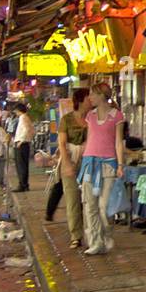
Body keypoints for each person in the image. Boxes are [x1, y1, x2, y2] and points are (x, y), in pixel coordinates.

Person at [77, 83, 125, 256]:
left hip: (108, 164)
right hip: (89, 162)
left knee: (104, 206)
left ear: (101, 95)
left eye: (92, 94)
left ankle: (106, 234)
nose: (90, 97)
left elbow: (119, 141)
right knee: (90, 205)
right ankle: (95, 242)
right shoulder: (90, 116)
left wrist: (120, 164)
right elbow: (90, 137)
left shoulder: (116, 116)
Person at [45, 88, 89, 248]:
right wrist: (67, 163)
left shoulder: (93, 118)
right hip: (70, 159)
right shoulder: (67, 119)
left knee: (91, 198)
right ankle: (76, 235)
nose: (91, 101)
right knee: (72, 199)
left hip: (89, 161)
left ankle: (91, 232)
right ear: (81, 101)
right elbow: (62, 143)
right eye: (88, 98)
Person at [12, 103, 34, 191]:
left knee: (20, 165)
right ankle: (24, 184)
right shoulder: (26, 117)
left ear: (18, 110)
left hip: (21, 144)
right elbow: (32, 130)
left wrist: (21, 141)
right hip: (25, 144)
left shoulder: (23, 118)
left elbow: (26, 130)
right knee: (24, 165)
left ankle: (22, 184)